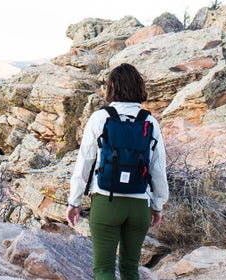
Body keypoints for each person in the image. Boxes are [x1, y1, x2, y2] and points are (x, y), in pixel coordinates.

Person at [65, 63, 169, 280]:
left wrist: (74, 202)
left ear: (111, 88)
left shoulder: (100, 118)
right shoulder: (149, 121)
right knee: (131, 269)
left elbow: (84, 161)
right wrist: (158, 205)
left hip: (106, 201)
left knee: (103, 269)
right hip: (139, 204)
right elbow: (158, 168)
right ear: (138, 86)